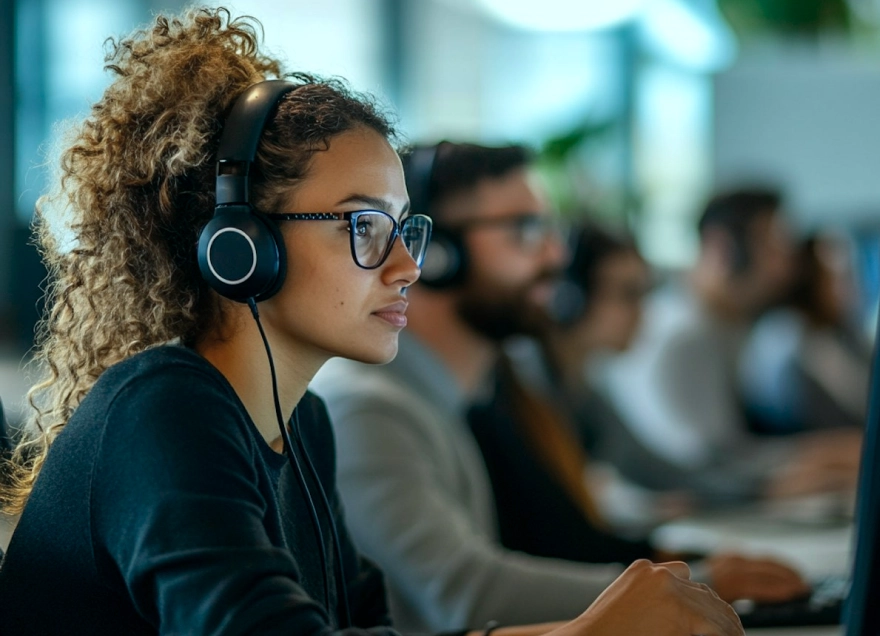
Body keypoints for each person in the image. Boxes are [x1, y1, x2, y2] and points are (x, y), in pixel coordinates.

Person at [0, 7, 746, 636]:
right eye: (362, 227)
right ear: (240, 247)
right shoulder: (165, 411)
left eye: (403, 229)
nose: (407, 268)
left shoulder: (307, 424)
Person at [310, 144, 803, 633]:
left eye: (551, 229)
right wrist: (691, 586)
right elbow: (465, 593)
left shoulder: (457, 399)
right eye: (525, 230)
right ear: (439, 255)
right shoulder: (369, 408)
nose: (556, 255)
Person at [603, 188, 862, 501]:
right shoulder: (683, 337)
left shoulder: (721, 330)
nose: (786, 267)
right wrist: (816, 458)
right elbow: (700, 464)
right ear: (722, 248)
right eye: (771, 245)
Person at [740, 231, 872, 434]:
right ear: (807, 279)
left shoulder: (829, 333)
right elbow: (858, 408)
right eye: (837, 278)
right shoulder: (787, 336)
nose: (851, 289)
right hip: (817, 452)